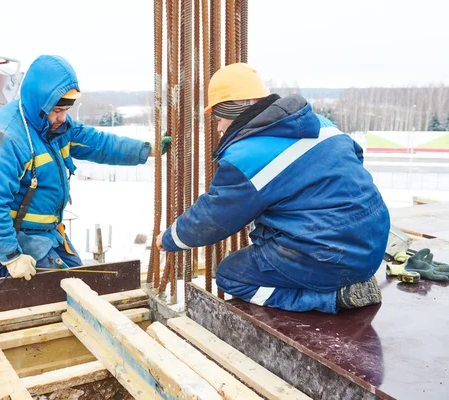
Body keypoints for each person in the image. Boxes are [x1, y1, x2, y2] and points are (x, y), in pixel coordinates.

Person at [156, 63, 390, 313]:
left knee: (230, 275)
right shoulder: (321, 125)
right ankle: (341, 281)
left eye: (220, 118)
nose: (219, 128)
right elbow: (355, 158)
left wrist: (170, 238)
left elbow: (213, 216)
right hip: (374, 244)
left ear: (232, 110)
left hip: (328, 258)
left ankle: (334, 297)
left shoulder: (246, 157)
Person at [0, 55, 170, 282]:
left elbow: (99, 144)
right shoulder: (4, 139)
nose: (63, 118)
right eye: (57, 110)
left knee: (83, 286)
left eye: (66, 110)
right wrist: (11, 256)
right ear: (39, 104)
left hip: (47, 236)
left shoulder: (55, 127)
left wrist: (147, 149)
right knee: (60, 298)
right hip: (14, 242)